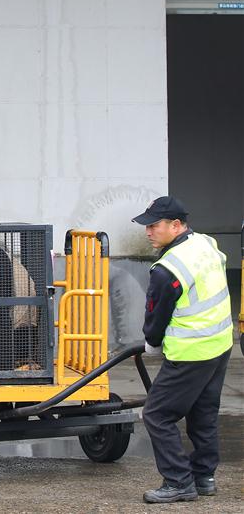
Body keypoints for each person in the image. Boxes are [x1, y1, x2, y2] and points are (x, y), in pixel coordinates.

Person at [133, 196, 233, 504]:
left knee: (157, 415)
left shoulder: (168, 268)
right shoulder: (206, 244)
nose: (148, 232)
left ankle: (179, 481)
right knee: (203, 413)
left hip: (191, 352)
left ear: (176, 225)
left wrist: (151, 342)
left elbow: (157, 314)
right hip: (220, 345)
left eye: (154, 226)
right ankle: (204, 477)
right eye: (146, 226)